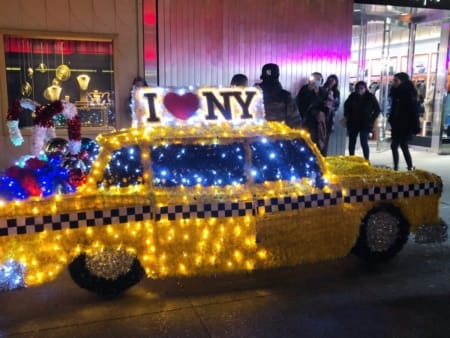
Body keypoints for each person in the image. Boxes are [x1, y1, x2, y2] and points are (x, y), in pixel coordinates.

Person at [388, 72, 420, 171]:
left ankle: (398, 167)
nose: (394, 82)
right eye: (394, 80)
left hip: (405, 124)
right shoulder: (396, 92)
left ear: (403, 81)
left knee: (396, 145)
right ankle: (407, 166)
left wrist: (414, 125)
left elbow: (413, 111)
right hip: (397, 123)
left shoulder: (408, 93)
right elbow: (394, 109)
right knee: (401, 145)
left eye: (396, 80)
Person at [256, 63, 302, 128]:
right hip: (280, 134)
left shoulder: (253, 93)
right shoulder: (286, 96)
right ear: (278, 76)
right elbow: (295, 120)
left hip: (257, 133)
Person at [295, 72, 331, 155]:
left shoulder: (323, 92)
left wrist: (321, 112)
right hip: (306, 120)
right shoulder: (305, 89)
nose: (316, 81)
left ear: (321, 81)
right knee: (307, 142)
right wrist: (310, 91)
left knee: (319, 143)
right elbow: (302, 103)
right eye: (314, 78)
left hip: (319, 122)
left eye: (318, 79)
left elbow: (327, 106)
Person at [343, 81, 380, 160]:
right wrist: (347, 116)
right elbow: (346, 106)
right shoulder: (352, 96)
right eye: (358, 88)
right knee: (352, 142)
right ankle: (351, 159)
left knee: (364, 141)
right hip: (353, 122)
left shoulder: (370, 97)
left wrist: (372, 119)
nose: (359, 90)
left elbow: (377, 109)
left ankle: (366, 159)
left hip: (365, 123)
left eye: (361, 88)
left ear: (365, 89)